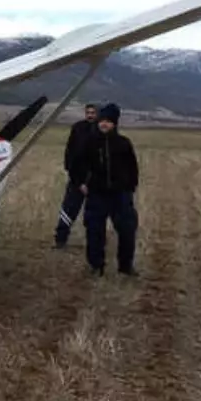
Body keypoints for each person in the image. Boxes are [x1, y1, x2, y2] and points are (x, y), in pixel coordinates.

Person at [72, 102, 139, 276]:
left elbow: (133, 168)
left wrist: (130, 187)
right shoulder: (89, 143)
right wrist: (81, 183)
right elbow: (77, 164)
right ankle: (96, 265)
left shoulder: (124, 143)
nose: (104, 124)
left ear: (115, 123)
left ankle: (125, 267)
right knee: (94, 231)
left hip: (120, 195)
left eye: (108, 121)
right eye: (102, 120)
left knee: (127, 230)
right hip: (96, 193)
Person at [53, 103, 99, 248]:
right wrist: (77, 180)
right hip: (76, 178)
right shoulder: (78, 128)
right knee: (68, 209)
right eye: (88, 112)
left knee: (95, 214)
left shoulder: (102, 130)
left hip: (96, 180)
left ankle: (95, 243)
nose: (90, 115)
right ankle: (61, 239)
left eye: (93, 113)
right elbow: (70, 152)